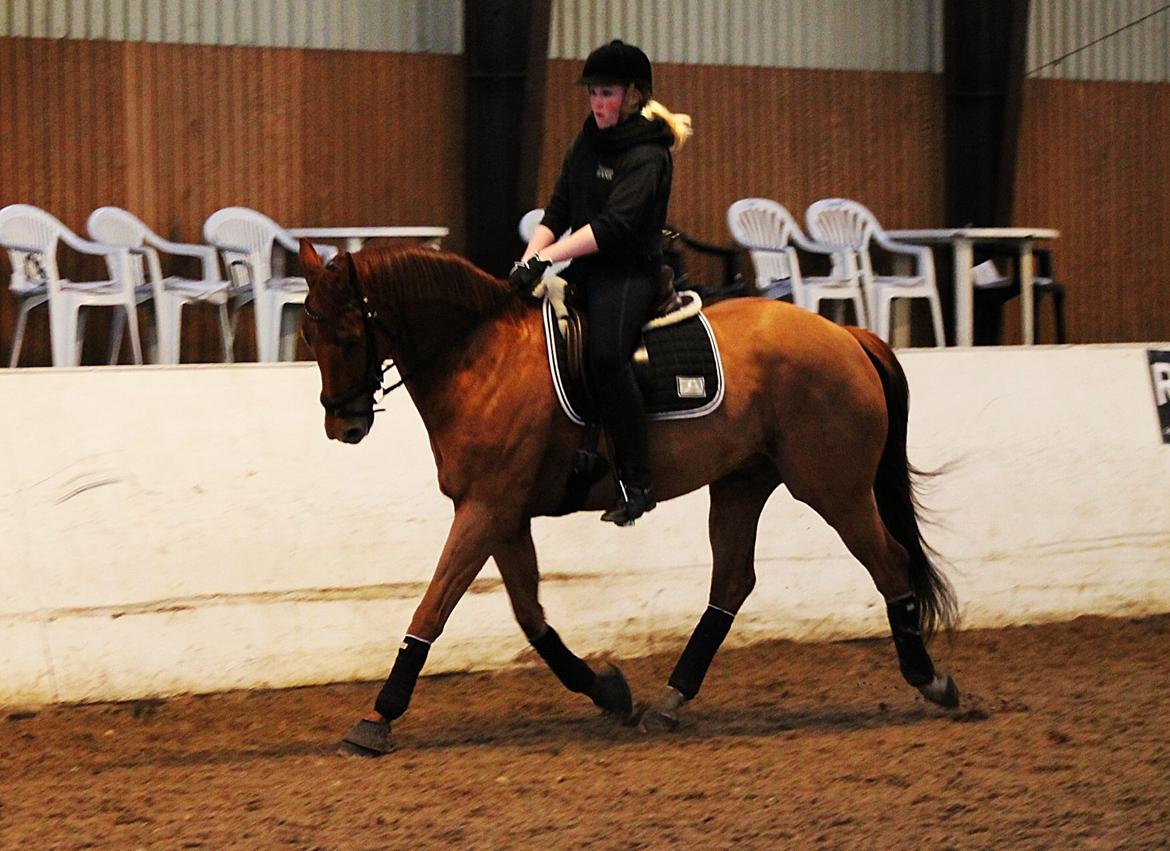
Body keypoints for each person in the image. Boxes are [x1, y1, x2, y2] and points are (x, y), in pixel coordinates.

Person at [510, 39, 692, 527]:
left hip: (629, 271)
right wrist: (527, 262)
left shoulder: (649, 155)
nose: (596, 103)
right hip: (586, 267)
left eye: (606, 93)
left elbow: (613, 227)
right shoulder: (588, 138)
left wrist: (547, 257)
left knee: (608, 355)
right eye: (592, 93)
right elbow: (560, 209)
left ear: (634, 95)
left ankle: (636, 479)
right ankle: (577, 449)